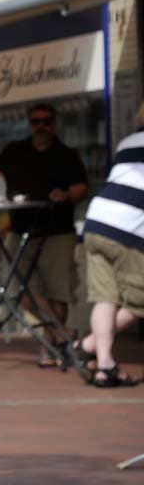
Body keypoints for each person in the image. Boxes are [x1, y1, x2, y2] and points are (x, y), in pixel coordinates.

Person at [0, 103, 88, 364]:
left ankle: (49, 346)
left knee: (58, 291)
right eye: (35, 121)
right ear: (28, 124)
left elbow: (81, 188)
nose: (41, 126)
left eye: (46, 121)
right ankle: (62, 333)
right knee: (16, 288)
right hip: (20, 228)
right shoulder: (14, 151)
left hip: (57, 230)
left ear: (55, 124)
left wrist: (65, 194)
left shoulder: (67, 154)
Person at [69, 103, 144, 387]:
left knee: (105, 298)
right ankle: (88, 345)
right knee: (139, 301)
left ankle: (103, 365)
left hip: (97, 221)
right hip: (129, 228)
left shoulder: (127, 143)